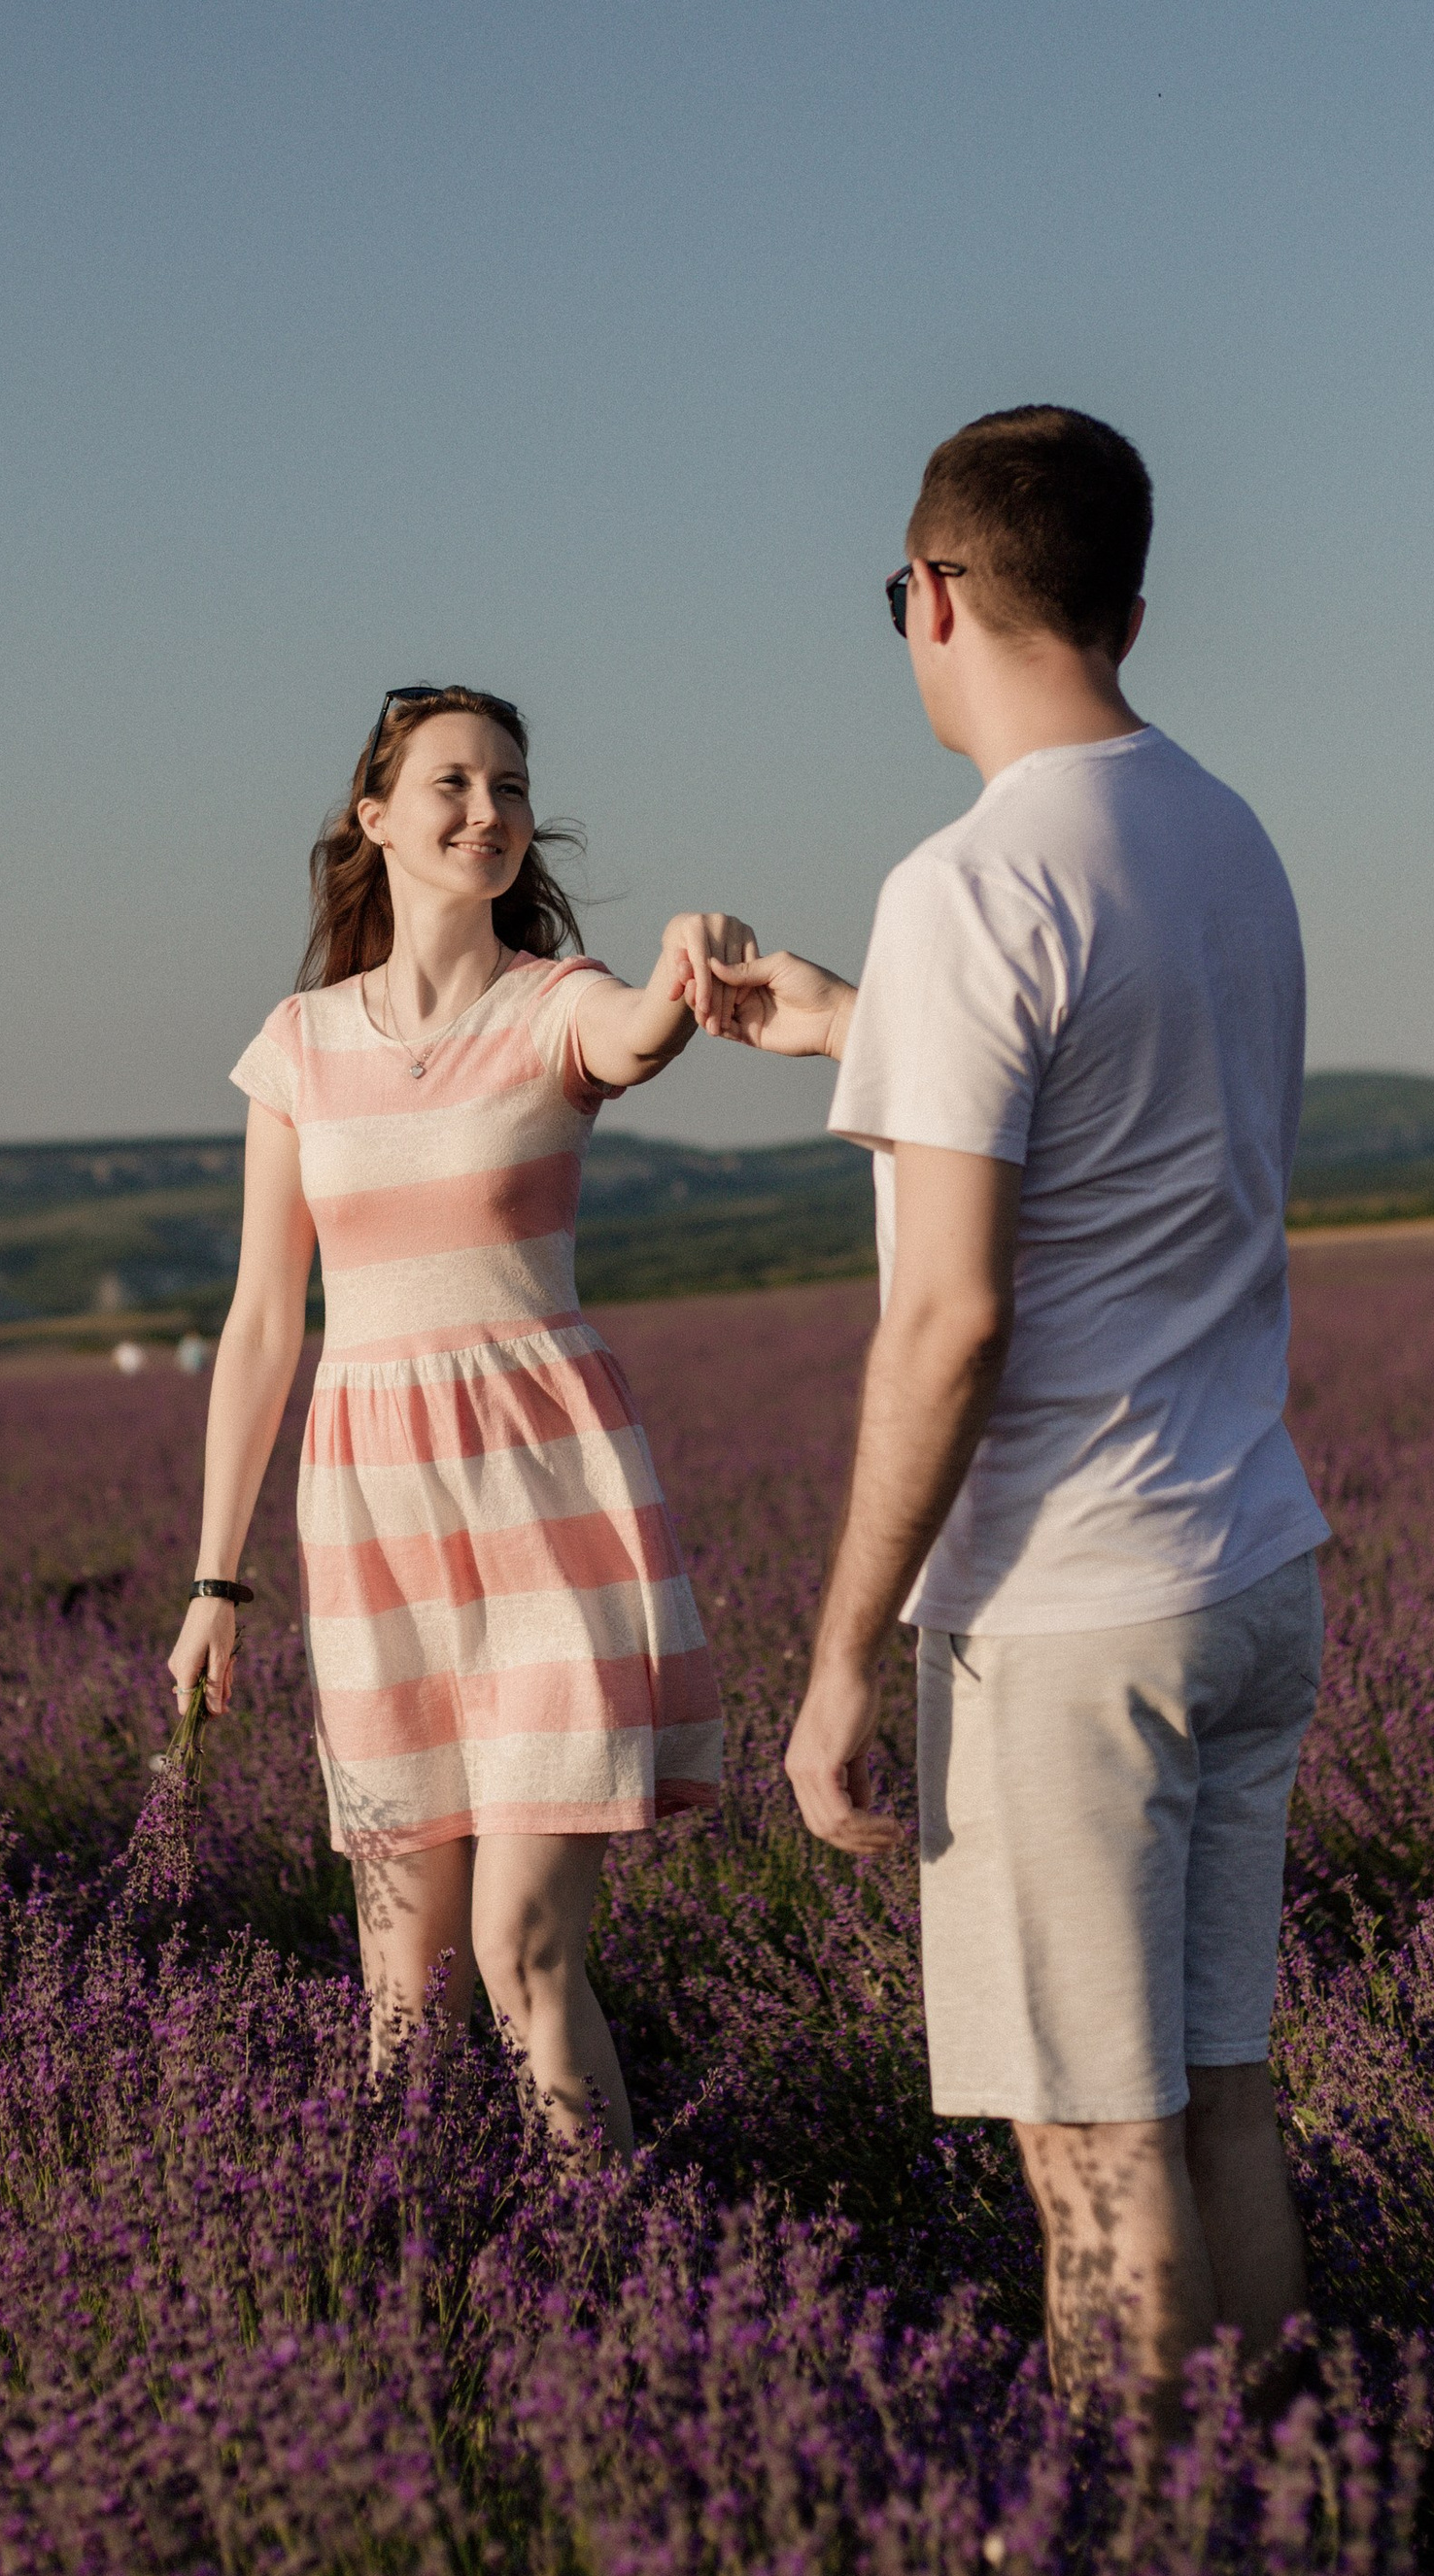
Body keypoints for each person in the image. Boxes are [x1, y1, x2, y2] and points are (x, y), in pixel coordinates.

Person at [709, 408, 1330, 2433]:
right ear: (1126, 604)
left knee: (1089, 2151)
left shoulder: (965, 887)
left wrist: (831, 1664)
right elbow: (1118, 1100)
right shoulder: (1222, 834)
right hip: (1245, 1560)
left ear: (938, 591)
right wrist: (841, 1019)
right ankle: (1291, 2559)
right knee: (1216, 2099)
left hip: (1064, 1611)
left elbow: (950, 1319)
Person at [165, 683, 747, 2159]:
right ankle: (408, 2268)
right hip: (374, 1531)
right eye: (453, 785)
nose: (488, 811)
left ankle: (618, 2279)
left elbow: (637, 1037)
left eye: (509, 786)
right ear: (376, 819)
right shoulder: (296, 1046)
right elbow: (259, 1323)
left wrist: (688, 962)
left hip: (551, 1517)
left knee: (525, 1957)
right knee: (400, 1994)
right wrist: (217, 1582)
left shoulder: (558, 1002)